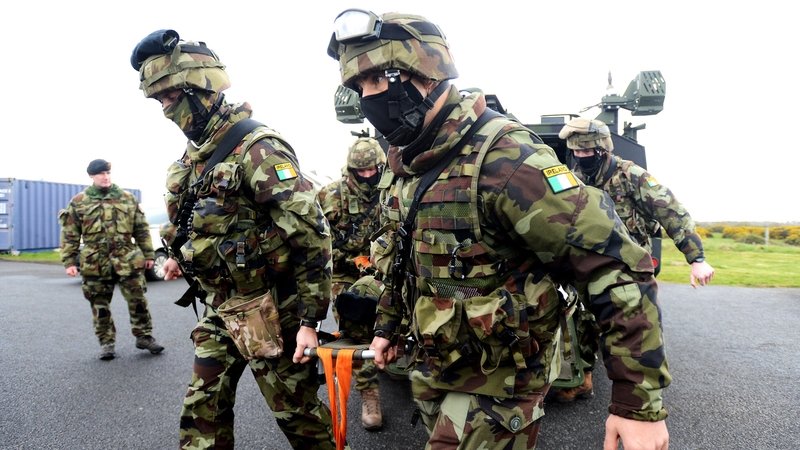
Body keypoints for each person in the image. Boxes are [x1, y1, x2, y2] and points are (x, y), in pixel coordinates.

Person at [327, 10, 671, 450]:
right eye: (358, 87)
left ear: (422, 73)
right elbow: (405, 260)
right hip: (438, 369)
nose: (366, 98)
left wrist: (637, 406)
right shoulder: (409, 164)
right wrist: (388, 328)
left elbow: (615, 266)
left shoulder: (507, 158)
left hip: (501, 385)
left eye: (375, 81)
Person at [130, 30, 338, 449]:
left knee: (299, 418)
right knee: (201, 411)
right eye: (159, 100)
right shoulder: (193, 158)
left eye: (170, 97)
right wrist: (176, 255)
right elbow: (197, 224)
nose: (165, 109)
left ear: (199, 89)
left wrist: (310, 322)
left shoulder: (258, 150)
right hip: (220, 308)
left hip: (272, 311)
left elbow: (312, 238)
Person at [553, 117, 715, 403]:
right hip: (590, 262)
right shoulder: (571, 177)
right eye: (575, 152)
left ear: (602, 149)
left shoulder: (631, 176)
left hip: (629, 266)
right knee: (582, 320)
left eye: (586, 152)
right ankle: (584, 378)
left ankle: (642, 396)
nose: (580, 157)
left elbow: (672, 212)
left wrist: (696, 258)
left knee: (636, 327)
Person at [59, 159, 164, 360]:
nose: (105, 177)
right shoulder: (79, 201)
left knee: (138, 300)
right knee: (99, 306)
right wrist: (69, 262)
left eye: (108, 173)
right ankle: (107, 343)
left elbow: (141, 229)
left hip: (127, 259)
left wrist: (148, 254)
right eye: (101, 174)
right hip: (94, 262)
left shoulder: (127, 198)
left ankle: (144, 337)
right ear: (91, 176)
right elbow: (70, 233)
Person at [317, 136, 386, 430]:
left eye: (372, 170)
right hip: (346, 272)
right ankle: (369, 392)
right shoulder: (330, 196)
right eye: (362, 172)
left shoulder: (394, 191)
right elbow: (316, 241)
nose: (368, 177)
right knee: (355, 316)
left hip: (385, 268)